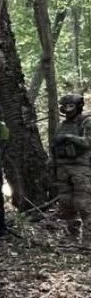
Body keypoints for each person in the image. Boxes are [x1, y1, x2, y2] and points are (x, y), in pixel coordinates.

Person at [50, 94, 91, 245]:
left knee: (84, 204)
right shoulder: (61, 125)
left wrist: (69, 137)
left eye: (70, 106)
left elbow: (88, 142)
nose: (67, 109)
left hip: (80, 168)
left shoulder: (86, 122)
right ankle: (72, 237)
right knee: (66, 204)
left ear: (78, 106)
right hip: (62, 168)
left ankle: (87, 240)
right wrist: (52, 163)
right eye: (64, 106)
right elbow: (54, 146)